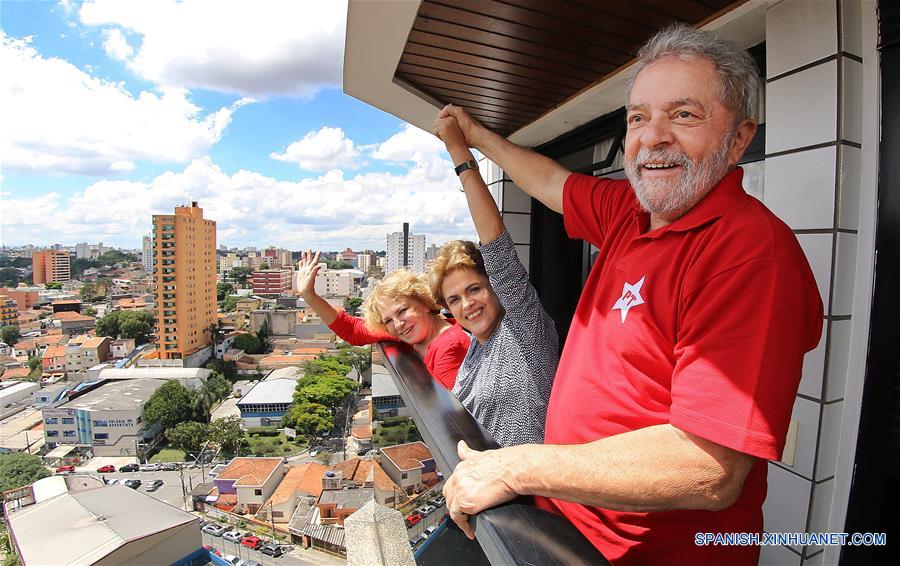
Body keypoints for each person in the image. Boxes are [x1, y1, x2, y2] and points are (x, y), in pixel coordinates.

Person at [439, 25, 823, 565]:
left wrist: (515, 465)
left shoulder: (753, 254)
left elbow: (707, 467)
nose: (653, 136)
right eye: (638, 118)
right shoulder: (630, 211)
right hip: (565, 526)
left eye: (683, 115)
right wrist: (474, 138)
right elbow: (548, 180)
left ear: (739, 138)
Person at [428, 116, 558, 447]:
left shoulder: (523, 330)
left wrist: (458, 151)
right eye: (454, 299)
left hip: (533, 493)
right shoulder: (475, 348)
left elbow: (496, 243)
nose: (467, 304)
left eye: (474, 289)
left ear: (495, 285)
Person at [296, 254, 468, 389]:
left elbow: (457, 418)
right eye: (388, 320)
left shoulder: (449, 346)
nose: (398, 324)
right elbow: (353, 329)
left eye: (403, 310)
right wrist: (309, 295)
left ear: (424, 302)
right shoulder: (412, 330)